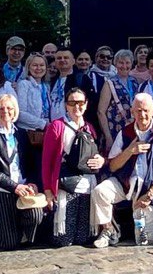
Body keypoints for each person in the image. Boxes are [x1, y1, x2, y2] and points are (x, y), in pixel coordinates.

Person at [91, 92, 153, 247]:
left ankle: (133, 227)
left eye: (146, 110)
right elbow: (113, 166)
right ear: (132, 112)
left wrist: (150, 194)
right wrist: (130, 151)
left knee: (146, 239)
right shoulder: (125, 133)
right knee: (100, 191)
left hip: (146, 191)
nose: (142, 115)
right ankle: (109, 230)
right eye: (138, 111)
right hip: (125, 184)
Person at [0, 93, 45, 250]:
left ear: (15, 111)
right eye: (1, 108)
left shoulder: (21, 134)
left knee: (36, 215)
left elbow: (32, 163)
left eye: (9, 108)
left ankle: (19, 230)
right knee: (8, 243)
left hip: (24, 187)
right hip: (3, 190)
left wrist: (32, 183)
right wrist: (14, 187)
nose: (5, 112)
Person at [41, 88, 105, 247]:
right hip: (66, 185)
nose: (77, 106)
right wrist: (48, 191)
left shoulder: (89, 128)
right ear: (66, 105)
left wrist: (100, 160)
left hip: (87, 184)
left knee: (83, 237)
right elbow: (47, 161)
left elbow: (95, 153)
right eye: (72, 103)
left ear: (86, 104)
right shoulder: (57, 126)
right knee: (63, 239)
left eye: (80, 102)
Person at [97, 49, 139, 151]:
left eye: (127, 62)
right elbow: (101, 112)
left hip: (133, 129)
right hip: (115, 130)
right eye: (121, 63)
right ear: (115, 64)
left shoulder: (135, 82)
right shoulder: (109, 83)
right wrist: (108, 137)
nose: (124, 66)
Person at [15, 54, 53, 142]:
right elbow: (19, 113)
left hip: (44, 132)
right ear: (28, 67)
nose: (38, 68)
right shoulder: (24, 84)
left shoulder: (46, 86)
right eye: (35, 65)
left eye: (42, 65)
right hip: (27, 133)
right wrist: (43, 124)